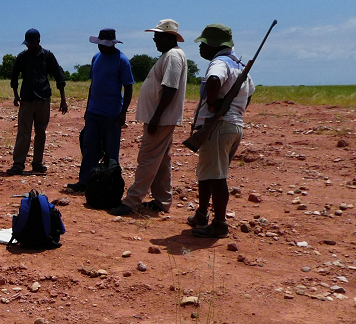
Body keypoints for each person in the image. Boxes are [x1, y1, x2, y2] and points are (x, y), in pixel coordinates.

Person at [110, 20, 188, 216]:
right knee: (161, 161)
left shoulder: (173, 56)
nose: (155, 40)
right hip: (160, 118)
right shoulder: (169, 55)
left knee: (147, 159)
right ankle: (162, 200)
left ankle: (132, 201)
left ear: (169, 37)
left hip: (160, 119)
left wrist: (156, 117)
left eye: (158, 37)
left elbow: (170, 88)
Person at [187, 24, 255, 238]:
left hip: (218, 126)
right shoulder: (239, 65)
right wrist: (233, 109)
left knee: (217, 177)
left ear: (213, 45)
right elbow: (250, 92)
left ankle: (219, 224)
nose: (200, 48)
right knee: (208, 172)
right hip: (233, 125)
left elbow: (214, 80)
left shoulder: (219, 63)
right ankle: (201, 214)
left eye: (203, 44)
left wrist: (214, 104)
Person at [65, 28, 134, 193]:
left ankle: (110, 186)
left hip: (112, 114)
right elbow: (93, 84)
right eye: (99, 44)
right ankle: (85, 181)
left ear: (111, 44)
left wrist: (123, 112)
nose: (100, 47)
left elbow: (128, 87)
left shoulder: (122, 60)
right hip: (94, 112)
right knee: (89, 146)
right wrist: (88, 108)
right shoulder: (96, 57)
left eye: (103, 44)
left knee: (111, 150)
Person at [7, 29, 68, 176]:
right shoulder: (22, 57)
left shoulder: (47, 56)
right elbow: (14, 76)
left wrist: (63, 100)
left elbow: (59, 77)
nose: (28, 46)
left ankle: (38, 163)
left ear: (38, 41)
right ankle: (18, 164)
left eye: (31, 43)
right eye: (27, 43)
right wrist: (15, 95)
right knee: (23, 132)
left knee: (41, 132)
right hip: (27, 99)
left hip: (43, 99)